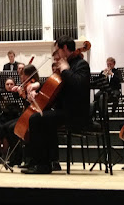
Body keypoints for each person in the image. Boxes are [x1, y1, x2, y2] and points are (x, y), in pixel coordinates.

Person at [22, 36, 91, 174]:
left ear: (64, 48)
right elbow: (53, 83)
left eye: (57, 50)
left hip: (76, 113)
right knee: (40, 117)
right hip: (64, 111)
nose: (56, 54)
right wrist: (37, 87)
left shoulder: (81, 65)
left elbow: (78, 85)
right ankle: (42, 162)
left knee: (37, 119)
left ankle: (42, 164)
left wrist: (65, 70)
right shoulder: (66, 65)